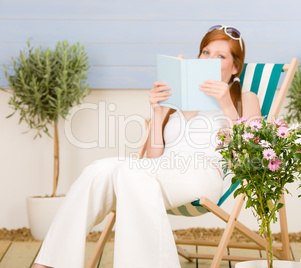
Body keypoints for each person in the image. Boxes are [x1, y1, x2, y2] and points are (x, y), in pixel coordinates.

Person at [34, 25, 261, 268]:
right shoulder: (179, 98)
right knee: (97, 170)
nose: (209, 59)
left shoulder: (245, 99)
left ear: (235, 67)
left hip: (203, 174)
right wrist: (158, 110)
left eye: (220, 56)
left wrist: (226, 105)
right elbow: (153, 158)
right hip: (159, 170)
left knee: (132, 173)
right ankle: (49, 264)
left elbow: (247, 159)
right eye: (205, 52)